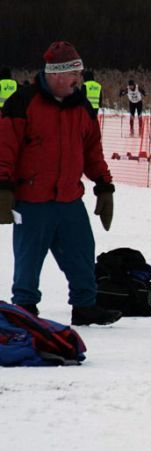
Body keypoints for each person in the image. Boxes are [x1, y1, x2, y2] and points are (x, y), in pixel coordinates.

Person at [0, 41, 121, 326]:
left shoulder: (83, 108)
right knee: (28, 259)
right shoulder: (21, 102)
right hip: (32, 200)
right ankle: (25, 307)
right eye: (73, 74)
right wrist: (3, 187)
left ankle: (85, 306)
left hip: (69, 199)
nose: (78, 80)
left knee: (81, 253)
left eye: (79, 74)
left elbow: (93, 152)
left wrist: (104, 185)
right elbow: (4, 148)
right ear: (54, 75)